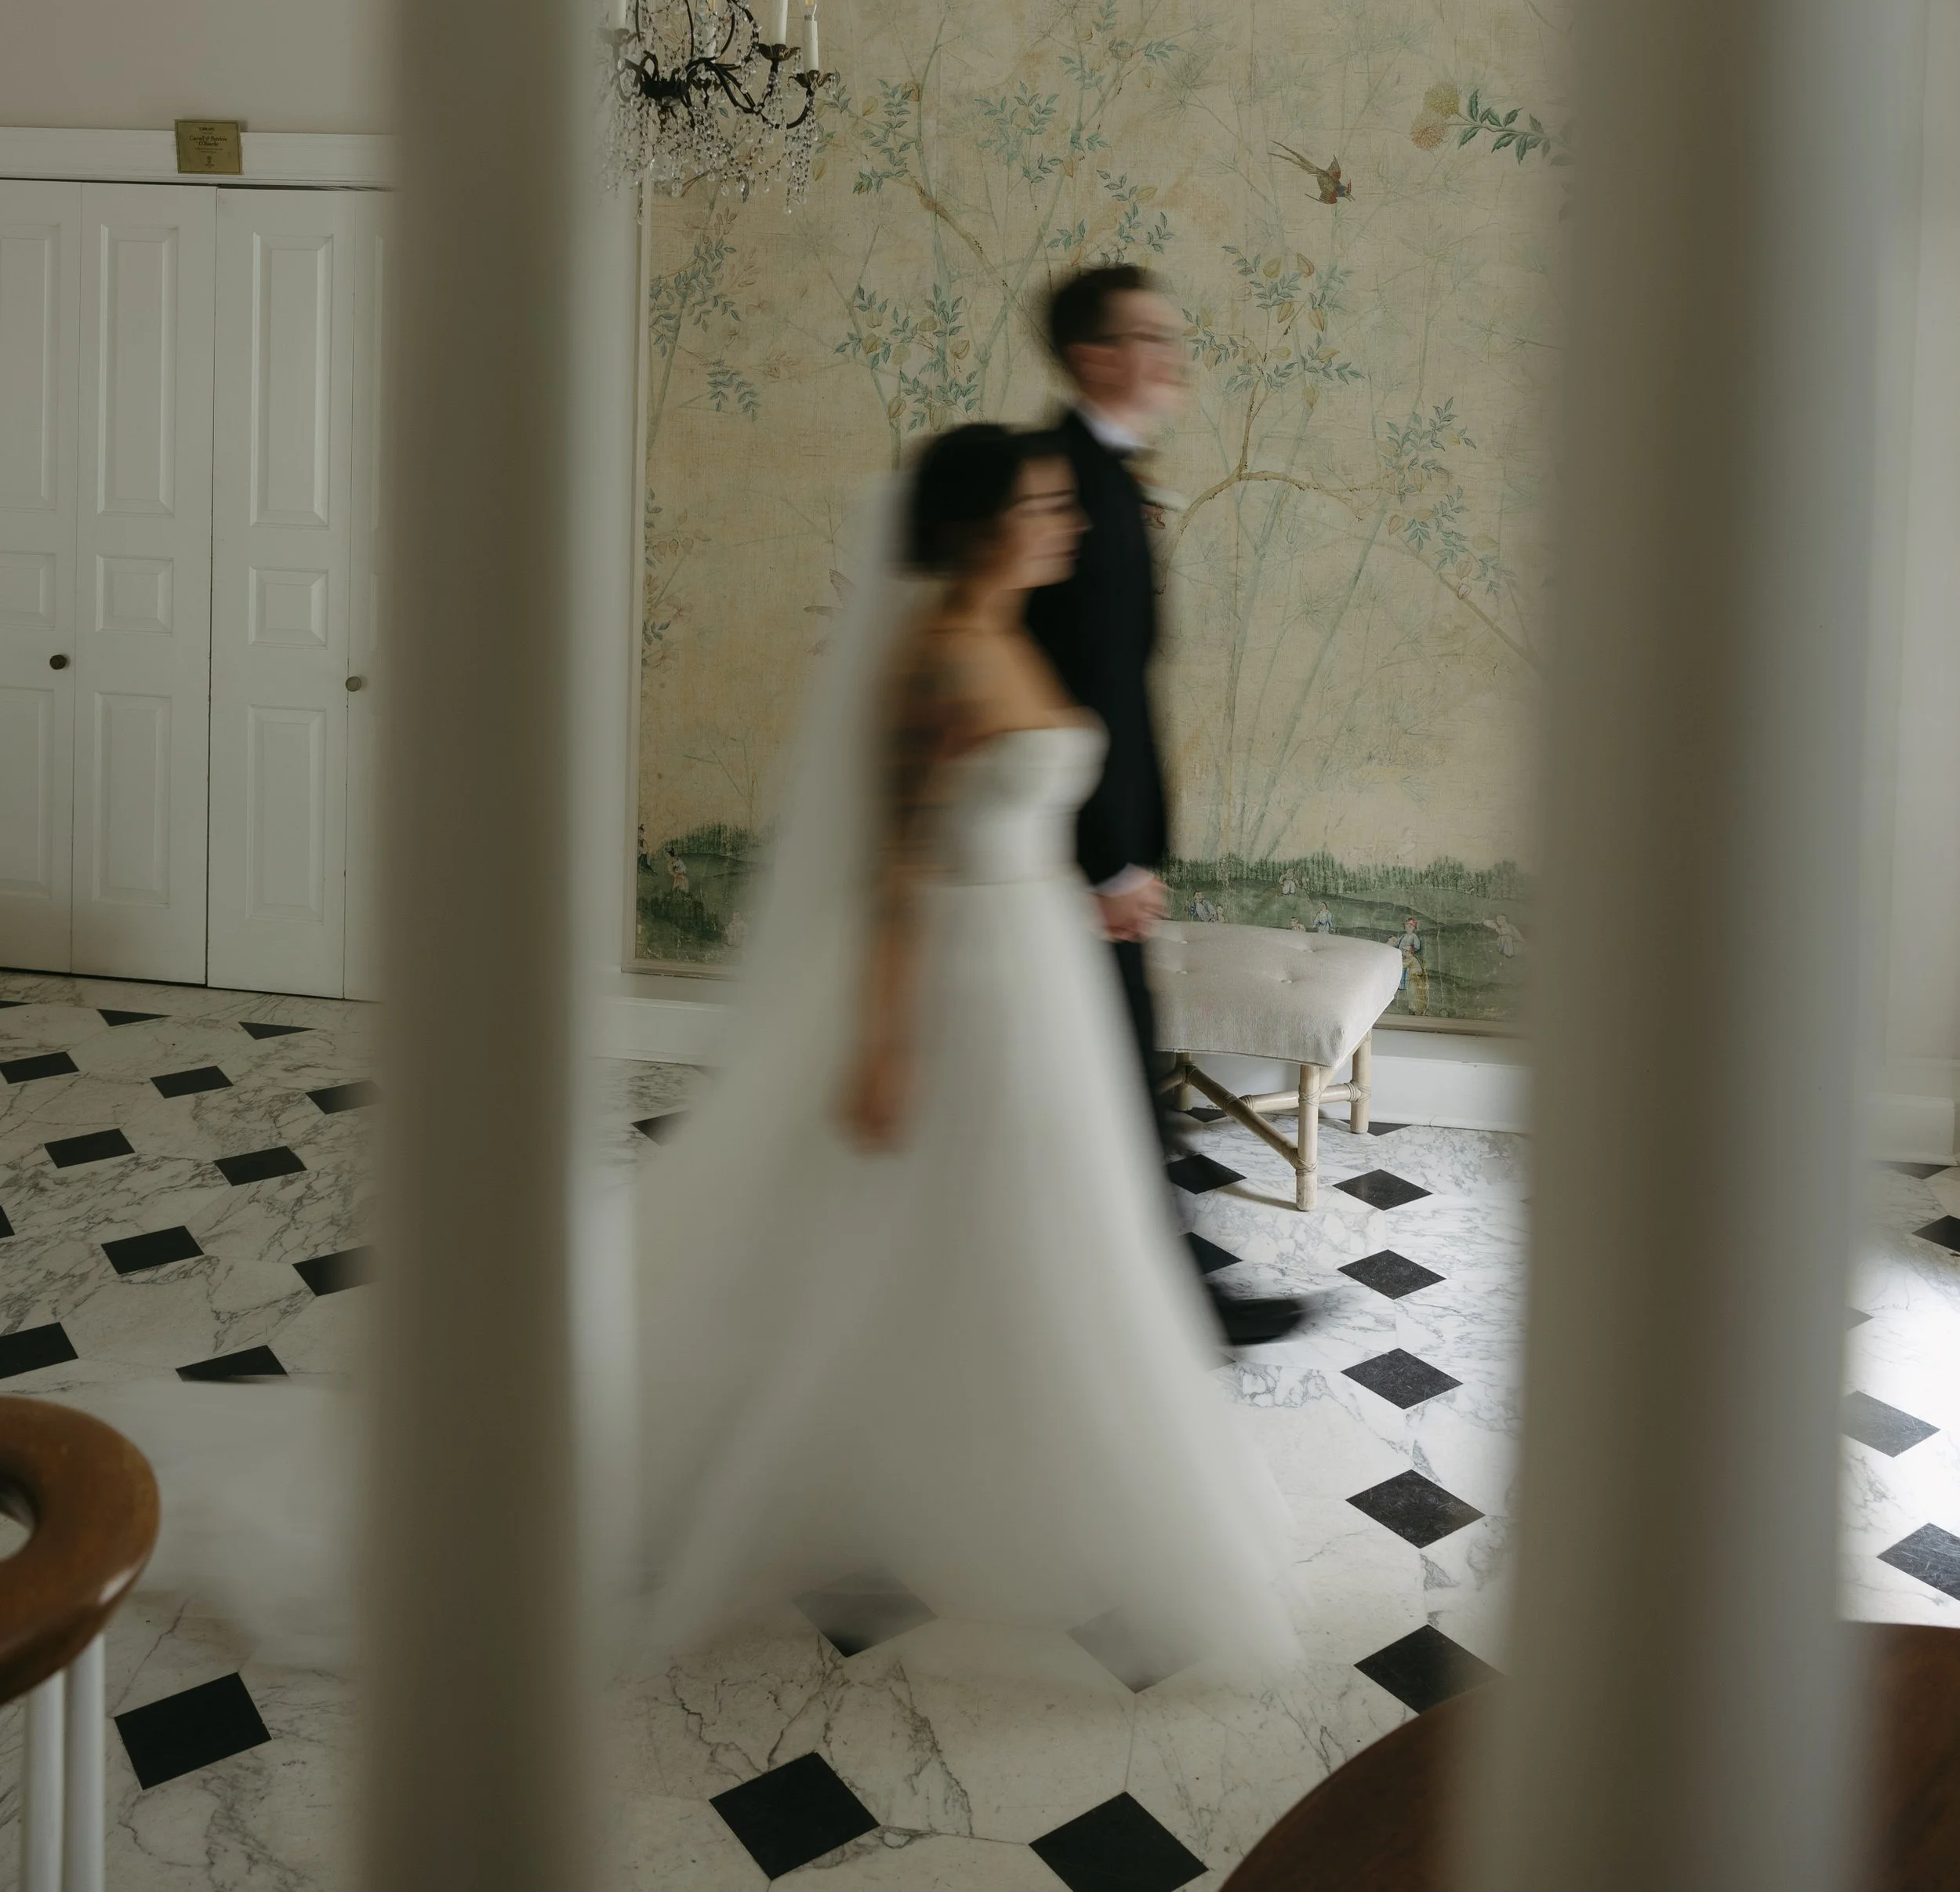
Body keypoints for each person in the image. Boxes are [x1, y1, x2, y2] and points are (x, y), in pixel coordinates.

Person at [103, 425, 1294, 1686]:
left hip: (1037, 971)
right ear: (974, 527)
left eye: (1064, 501)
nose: (1067, 521)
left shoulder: (1015, 633)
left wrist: (1095, 901)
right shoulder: (935, 655)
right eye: (1041, 504)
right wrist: (885, 1043)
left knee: (1035, 1232)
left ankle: (1011, 1471)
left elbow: (1032, 809)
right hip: (957, 980)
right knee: (930, 1225)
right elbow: (894, 867)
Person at [1025, 265, 1302, 1349]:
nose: (1174, 355)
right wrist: (1108, 863)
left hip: (1096, 848)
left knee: (1109, 1081)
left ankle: (1126, 1291)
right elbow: (1083, 692)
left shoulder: (1108, 477)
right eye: (1150, 335)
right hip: (1068, 860)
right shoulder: (1070, 486)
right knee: (1118, 1081)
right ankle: (1181, 1305)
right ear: (1095, 355)